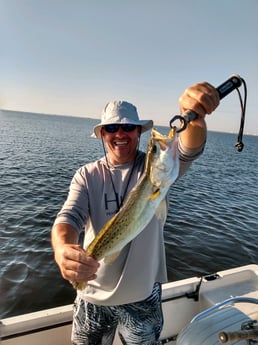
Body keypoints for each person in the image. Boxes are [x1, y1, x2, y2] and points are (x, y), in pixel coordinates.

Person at [51, 81, 220, 345]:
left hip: (143, 297)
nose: (120, 133)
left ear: (139, 132)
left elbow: (188, 148)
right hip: (92, 296)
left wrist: (195, 117)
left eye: (129, 126)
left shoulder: (155, 171)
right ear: (102, 134)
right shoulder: (87, 174)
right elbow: (68, 218)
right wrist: (63, 249)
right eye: (112, 128)